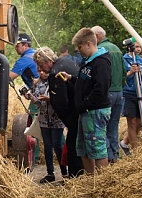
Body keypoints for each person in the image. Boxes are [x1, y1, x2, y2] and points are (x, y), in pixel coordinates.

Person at [33, 47, 83, 177]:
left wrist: (66, 120)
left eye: (41, 65)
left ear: (48, 60)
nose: (41, 69)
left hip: (73, 114)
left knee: (72, 147)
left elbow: (60, 102)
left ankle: (74, 176)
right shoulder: (66, 61)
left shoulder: (55, 73)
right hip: (82, 108)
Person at [70, 28, 112, 174]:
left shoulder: (100, 62)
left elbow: (101, 89)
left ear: (88, 44)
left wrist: (85, 104)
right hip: (86, 111)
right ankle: (90, 179)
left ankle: (102, 182)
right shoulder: (88, 61)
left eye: (80, 47)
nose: (79, 51)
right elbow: (87, 83)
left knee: (97, 147)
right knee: (83, 147)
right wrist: (71, 78)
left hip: (95, 111)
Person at [92, 26, 125, 163]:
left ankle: (108, 156)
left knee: (102, 127)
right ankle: (115, 155)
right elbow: (124, 72)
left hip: (107, 93)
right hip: (119, 92)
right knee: (113, 126)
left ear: (97, 36)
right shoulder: (117, 49)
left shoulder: (101, 51)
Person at [120, 41, 142, 154]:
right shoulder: (124, 60)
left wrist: (141, 72)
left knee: (141, 122)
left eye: (140, 47)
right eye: (136, 46)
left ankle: (124, 142)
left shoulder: (141, 61)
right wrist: (130, 72)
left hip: (140, 94)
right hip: (129, 93)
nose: (138, 49)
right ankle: (135, 150)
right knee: (131, 122)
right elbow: (121, 78)